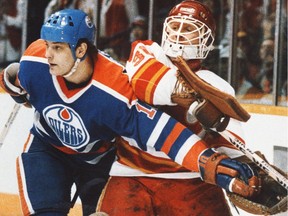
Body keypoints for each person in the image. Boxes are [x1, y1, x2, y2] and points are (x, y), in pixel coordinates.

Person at [0, 8, 260, 216]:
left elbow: (162, 131)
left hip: (105, 160)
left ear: (80, 49)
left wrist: (224, 163)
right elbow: (149, 82)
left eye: (57, 47)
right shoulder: (35, 61)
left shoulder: (115, 89)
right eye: (47, 44)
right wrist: (11, 82)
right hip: (55, 152)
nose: (48, 54)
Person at [96, 1, 260, 215]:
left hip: (192, 182)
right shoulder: (147, 51)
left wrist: (244, 170)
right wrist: (190, 97)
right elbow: (143, 80)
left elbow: (227, 146)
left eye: (189, 28)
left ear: (206, 40)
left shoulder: (217, 87)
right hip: (132, 176)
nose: (178, 33)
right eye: (174, 26)